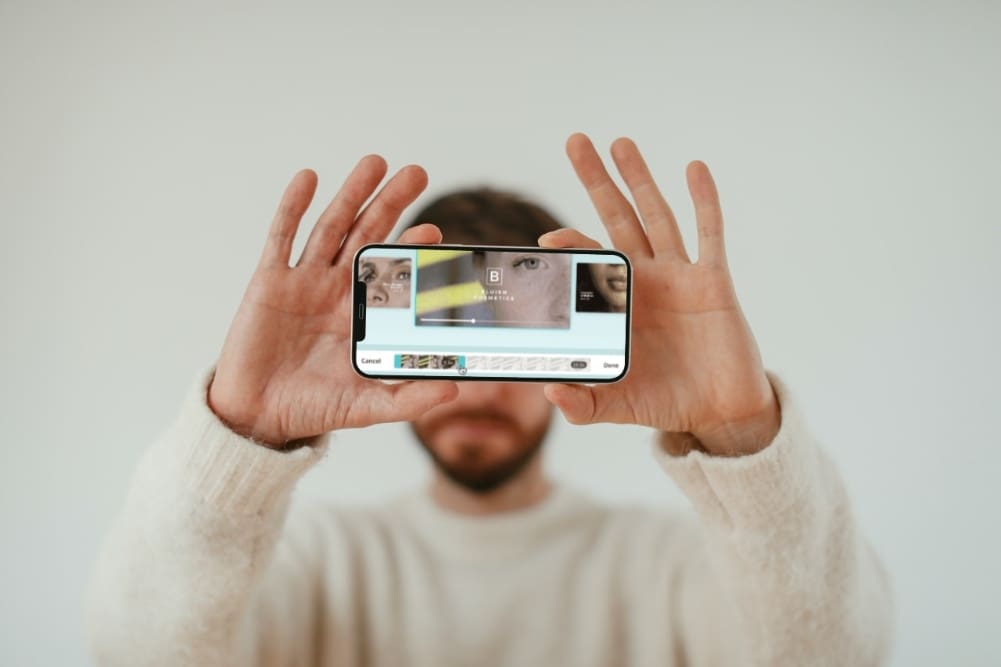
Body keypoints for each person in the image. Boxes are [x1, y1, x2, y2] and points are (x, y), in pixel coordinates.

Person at [86, 133, 894, 666]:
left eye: (517, 339)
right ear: (390, 352)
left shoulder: (666, 564)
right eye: (454, 339)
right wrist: (236, 436)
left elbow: (837, 652)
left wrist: (740, 438)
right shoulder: (315, 562)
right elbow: (132, 648)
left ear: (573, 358)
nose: (478, 386)